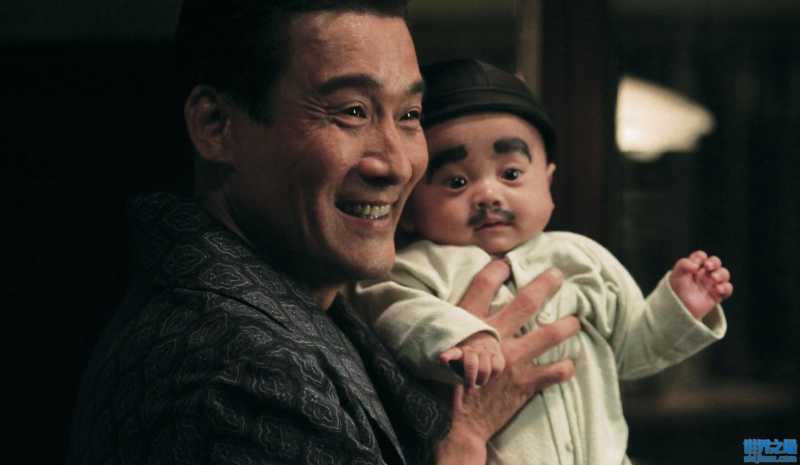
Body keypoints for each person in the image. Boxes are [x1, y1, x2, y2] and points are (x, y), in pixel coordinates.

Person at [67, 3, 582, 465]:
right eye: (352, 111)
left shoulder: (314, 301)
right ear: (216, 125)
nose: (397, 164)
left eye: (409, 116)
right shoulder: (240, 378)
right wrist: (464, 437)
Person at [350, 58, 733, 465]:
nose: (488, 195)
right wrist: (464, 336)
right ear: (409, 207)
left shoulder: (580, 258)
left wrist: (679, 307)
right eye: (456, 182)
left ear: (547, 183)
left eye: (511, 174)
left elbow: (633, 352)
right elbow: (396, 314)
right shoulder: (417, 268)